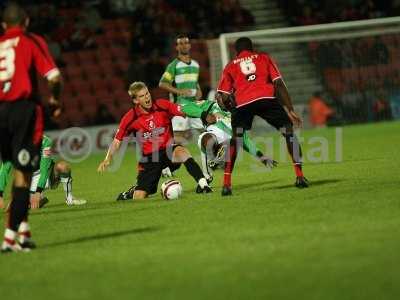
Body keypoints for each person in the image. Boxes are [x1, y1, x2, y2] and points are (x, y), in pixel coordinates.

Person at [0, 3, 62, 253]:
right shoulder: (30, 40)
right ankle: (9, 239)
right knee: (24, 177)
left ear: (4, 25)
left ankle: (23, 235)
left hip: (1, 113)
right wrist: (55, 100)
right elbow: (54, 77)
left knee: (16, 172)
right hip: (23, 111)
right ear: (25, 22)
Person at [216, 37, 308, 196]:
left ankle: (226, 184)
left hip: (243, 103)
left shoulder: (230, 66)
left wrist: (230, 108)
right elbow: (278, 84)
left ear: (236, 51)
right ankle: (299, 176)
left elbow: (222, 97)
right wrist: (290, 109)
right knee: (288, 132)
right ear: (252, 48)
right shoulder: (264, 58)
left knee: (236, 140)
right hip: (266, 98)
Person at [97, 82, 212, 200]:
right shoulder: (130, 118)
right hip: (150, 159)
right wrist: (108, 159)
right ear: (136, 101)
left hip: (168, 151)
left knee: (182, 152)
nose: (147, 97)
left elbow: (183, 109)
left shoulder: (162, 105)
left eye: (147, 93)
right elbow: (117, 141)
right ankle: (130, 193)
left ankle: (203, 185)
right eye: (142, 96)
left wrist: (202, 111)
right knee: (142, 196)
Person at [0, 135, 86, 209]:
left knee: (63, 166)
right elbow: (4, 170)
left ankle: (69, 198)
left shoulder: (45, 141)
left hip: (47, 174)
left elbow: (44, 170)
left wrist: (38, 191)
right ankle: (38, 199)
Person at [159, 34, 203, 142]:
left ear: (190, 46)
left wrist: (199, 90)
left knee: (204, 131)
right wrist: (179, 91)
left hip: (193, 104)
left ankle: (212, 157)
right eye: (181, 43)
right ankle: (176, 158)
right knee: (179, 136)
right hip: (178, 106)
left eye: (186, 43)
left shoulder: (195, 65)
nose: (184, 45)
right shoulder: (173, 65)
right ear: (177, 47)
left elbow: (195, 82)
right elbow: (162, 83)